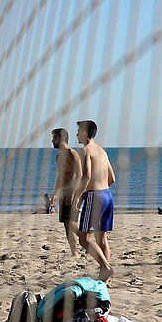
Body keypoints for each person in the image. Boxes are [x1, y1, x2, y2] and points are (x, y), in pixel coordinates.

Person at [74, 120, 116, 281]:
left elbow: (86, 176)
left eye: (78, 131)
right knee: (102, 238)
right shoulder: (102, 151)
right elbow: (112, 178)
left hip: (95, 196)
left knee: (84, 238)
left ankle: (106, 268)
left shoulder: (86, 150)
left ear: (85, 132)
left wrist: (79, 197)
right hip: (107, 195)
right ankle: (104, 280)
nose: (77, 134)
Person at [51, 128, 82, 256]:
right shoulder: (59, 157)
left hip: (72, 193)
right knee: (66, 224)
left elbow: (79, 174)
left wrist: (76, 195)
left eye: (54, 138)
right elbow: (60, 177)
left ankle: (88, 239)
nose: (52, 141)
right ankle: (74, 252)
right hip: (63, 194)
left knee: (71, 223)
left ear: (60, 138)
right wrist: (55, 194)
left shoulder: (72, 153)